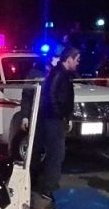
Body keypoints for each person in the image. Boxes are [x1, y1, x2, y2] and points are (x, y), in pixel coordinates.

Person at [19, 46, 79, 197]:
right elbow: (28, 95)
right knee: (40, 153)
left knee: (51, 154)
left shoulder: (58, 72)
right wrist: (26, 115)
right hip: (40, 117)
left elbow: (64, 97)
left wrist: (67, 116)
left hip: (47, 117)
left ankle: (40, 183)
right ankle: (36, 184)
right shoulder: (37, 73)